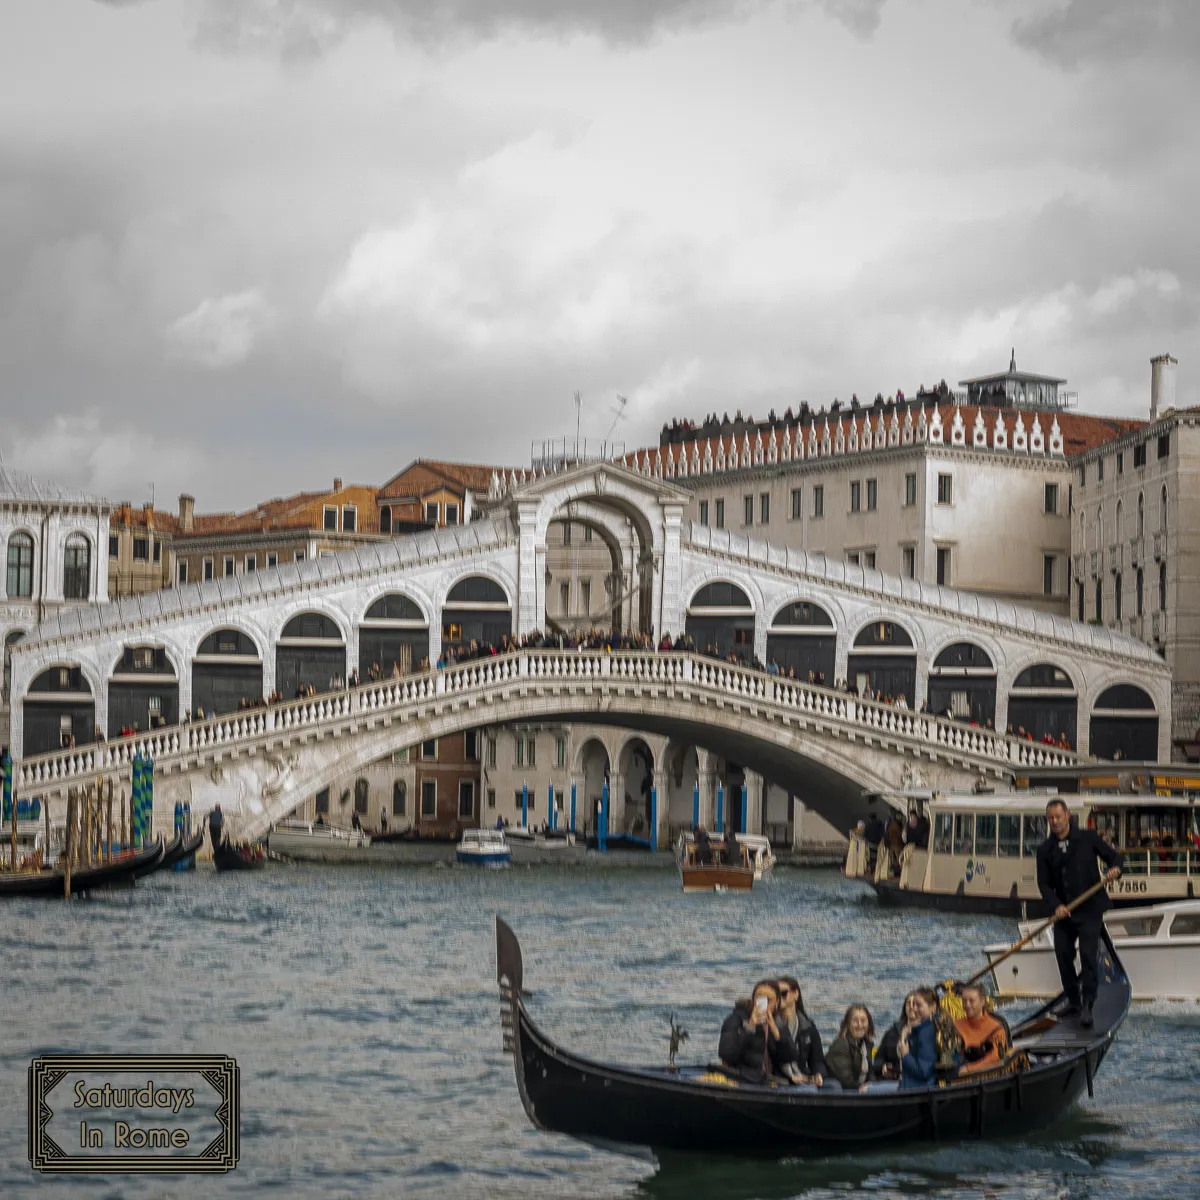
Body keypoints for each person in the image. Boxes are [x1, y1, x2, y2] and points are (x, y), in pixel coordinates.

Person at [1036, 798, 1123, 1028]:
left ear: (1067, 816)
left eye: (1058, 817)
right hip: (1064, 913)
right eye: (1051, 818)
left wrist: (1115, 869)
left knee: (1087, 955)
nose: (1054, 822)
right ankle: (1073, 1001)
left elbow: (1115, 858)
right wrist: (1056, 906)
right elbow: (1044, 885)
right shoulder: (1044, 850)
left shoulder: (1088, 838)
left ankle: (1088, 1004)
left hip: (1090, 909)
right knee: (1063, 954)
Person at [718, 980, 797, 1082]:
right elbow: (726, 1053)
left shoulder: (778, 1023)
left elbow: (790, 1056)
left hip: (771, 1080)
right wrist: (749, 1028)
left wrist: (777, 1035)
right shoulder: (736, 1019)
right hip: (743, 1078)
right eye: (759, 998)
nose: (763, 1003)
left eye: (769, 1000)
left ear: (777, 1003)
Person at [777, 976, 824, 1085]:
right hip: (780, 1078)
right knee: (809, 1090)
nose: (779, 997)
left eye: (783, 993)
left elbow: (817, 1059)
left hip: (803, 1074)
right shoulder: (771, 1025)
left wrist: (818, 1074)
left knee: (832, 1086)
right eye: (776, 994)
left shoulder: (807, 1026)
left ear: (795, 994)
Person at [954, 983, 1010, 1074]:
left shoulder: (996, 1028)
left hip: (986, 1077)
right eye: (964, 1001)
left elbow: (996, 1057)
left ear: (983, 1001)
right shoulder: (956, 1024)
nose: (967, 1005)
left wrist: (969, 1069)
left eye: (971, 1001)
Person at [825, 1005, 875, 1091]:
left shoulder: (866, 1044)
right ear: (848, 1024)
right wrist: (862, 1087)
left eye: (863, 1020)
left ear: (868, 1023)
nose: (859, 1025)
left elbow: (870, 1073)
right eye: (855, 1021)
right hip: (840, 1089)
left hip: (856, 1086)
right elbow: (845, 1079)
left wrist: (873, 1084)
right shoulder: (840, 1045)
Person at [898, 988, 938, 1089]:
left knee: (867, 1090)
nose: (914, 1008)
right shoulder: (922, 1029)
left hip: (918, 1090)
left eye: (918, 1005)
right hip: (910, 1085)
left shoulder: (927, 1032)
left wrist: (905, 1055)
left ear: (933, 1007)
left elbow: (923, 1071)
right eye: (912, 1004)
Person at [874, 991, 918, 1080]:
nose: (911, 1006)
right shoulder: (892, 1032)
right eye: (908, 1003)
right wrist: (883, 1067)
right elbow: (878, 1059)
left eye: (915, 1003)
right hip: (892, 1080)